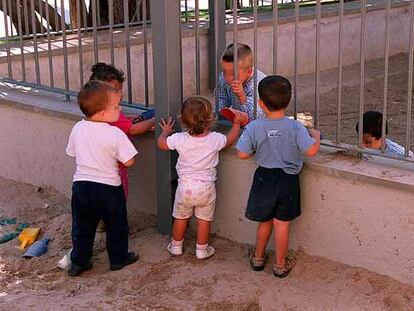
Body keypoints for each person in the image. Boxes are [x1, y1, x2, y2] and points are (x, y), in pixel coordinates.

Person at [236, 75, 321, 278]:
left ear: (260, 103)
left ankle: (257, 258)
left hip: (264, 178)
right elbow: (310, 152)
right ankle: (280, 266)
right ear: (288, 100)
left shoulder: (254, 126)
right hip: (288, 180)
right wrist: (316, 137)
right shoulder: (296, 127)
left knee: (264, 221)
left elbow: (241, 153)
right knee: (281, 224)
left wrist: (256, 150)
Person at [66, 80, 139, 276]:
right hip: (108, 188)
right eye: (116, 106)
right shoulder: (114, 133)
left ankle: (79, 262)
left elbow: (72, 152)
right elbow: (130, 161)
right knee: (117, 225)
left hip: (81, 187)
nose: (120, 109)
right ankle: (118, 258)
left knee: (82, 226)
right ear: (103, 113)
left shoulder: (77, 128)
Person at [158, 96, 243, 259]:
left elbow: (161, 144)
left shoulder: (179, 139)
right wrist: (237, 124)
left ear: (182, 119)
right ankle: (202, 250)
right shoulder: (215, 139)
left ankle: (176, 246)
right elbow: (230, 140)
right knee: (204, 220)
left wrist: (165, 132)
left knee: (180, 218)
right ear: (210, 118)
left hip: (185, 188)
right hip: (206, 189)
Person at [89, 62, 155, 199]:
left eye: (120, 90)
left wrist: (128, 118)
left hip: (94, 173)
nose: (121, 95)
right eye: (116, 91)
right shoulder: (112, 114)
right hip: (115, 171)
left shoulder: (94, 114)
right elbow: (134, 130)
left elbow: (120, 121)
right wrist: (154, 120)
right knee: (118, 200)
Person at [216, 43, 266, 121]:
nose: (227, 78)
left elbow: (257, 117)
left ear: (249, 72)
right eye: (224, 71)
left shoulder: (259, 84)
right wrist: (222, 112)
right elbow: (220, 98)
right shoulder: (223, 77)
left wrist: (242, 97)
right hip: (236, 121)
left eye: (233, 74)